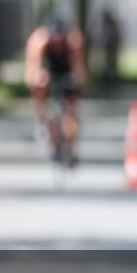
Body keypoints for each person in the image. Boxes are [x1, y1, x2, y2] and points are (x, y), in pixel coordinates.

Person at [24, 18, 86, 165]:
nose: (57, 43)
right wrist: (38, 77)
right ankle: (41, 120)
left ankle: (72, 148)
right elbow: (32, 69)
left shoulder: (73, 40)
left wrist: (78, 80)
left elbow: (79, 68)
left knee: (72, 110)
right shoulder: (39, 41)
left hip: (66, 68)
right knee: (39, 85)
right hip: (48, 68)